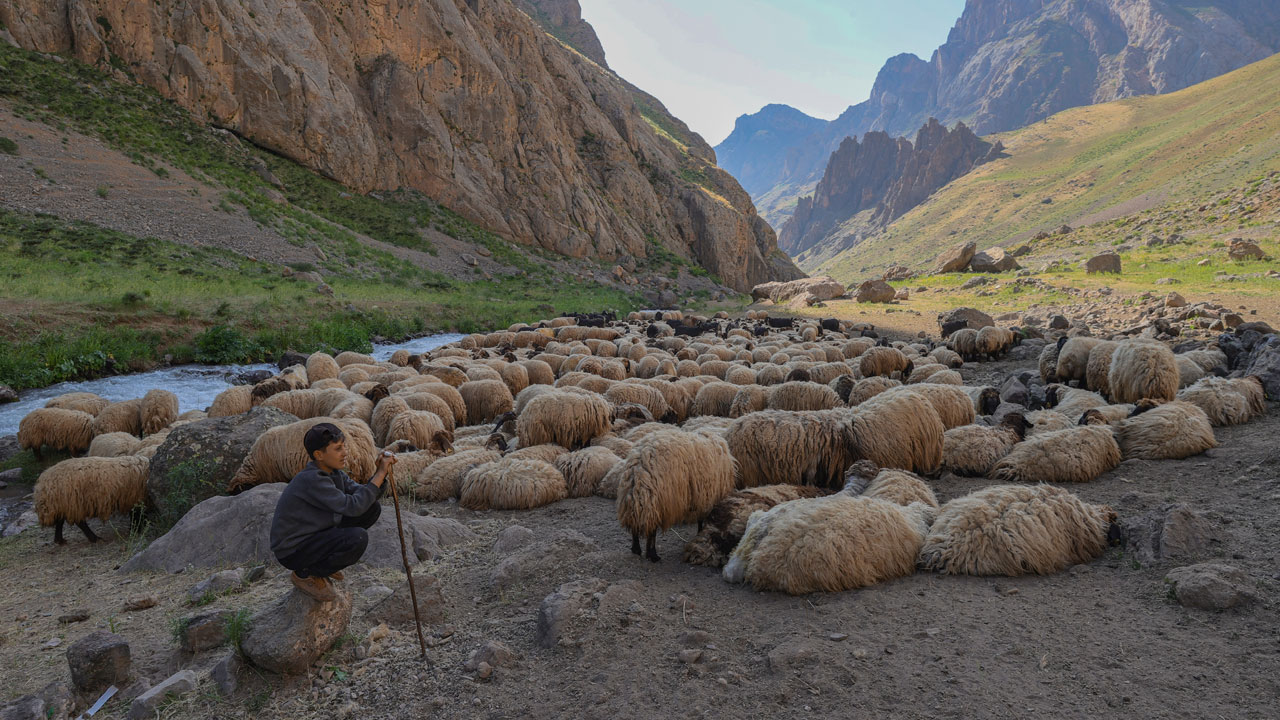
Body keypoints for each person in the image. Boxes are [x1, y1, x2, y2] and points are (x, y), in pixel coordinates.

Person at [269, 422, 397, 601]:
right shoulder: (313, 480)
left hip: (315, 534)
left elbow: (361, 495)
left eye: (344, 446)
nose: (345, 452)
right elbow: (353, 506)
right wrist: (379, 475)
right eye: (338, 449)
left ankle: (322, 563)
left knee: (372, 508)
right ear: (319, 455)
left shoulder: (334, 473)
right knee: (357, 539)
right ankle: (305, 574)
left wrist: (379, 474)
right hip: (294, 550)